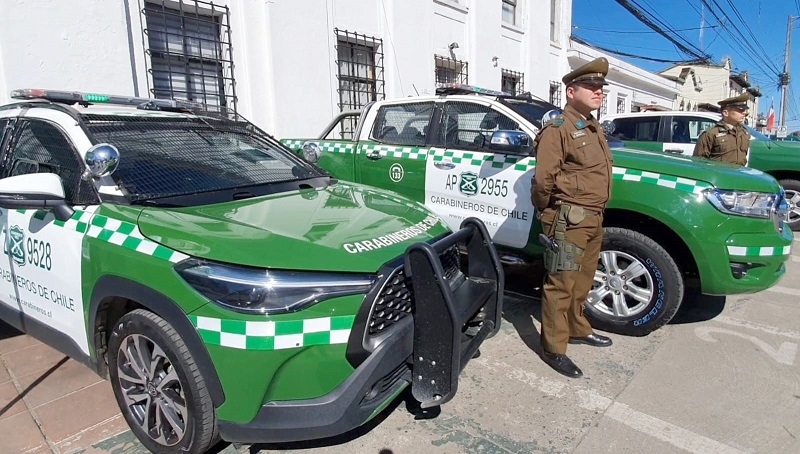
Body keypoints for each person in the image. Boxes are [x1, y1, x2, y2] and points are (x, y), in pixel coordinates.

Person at [531, 57, 614, 378]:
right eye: (591, 87)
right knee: (561, 284)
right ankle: (554, 347)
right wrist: (549, 215)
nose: (599, 92)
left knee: (582, 282)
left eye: (600, 88)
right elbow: (543, 181)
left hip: (593, 218)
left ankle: (577, 327)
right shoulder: (557, 130)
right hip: (568, 219)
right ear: (570, 91)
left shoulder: (592, 127)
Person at [692, 93, 751, 166]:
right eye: (740, 110)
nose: (744, 113)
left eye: (744, 110)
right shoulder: (711, 134)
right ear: (726, 113)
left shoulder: (744, 133)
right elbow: (698, 161)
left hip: (738, 175)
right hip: (718, 175)